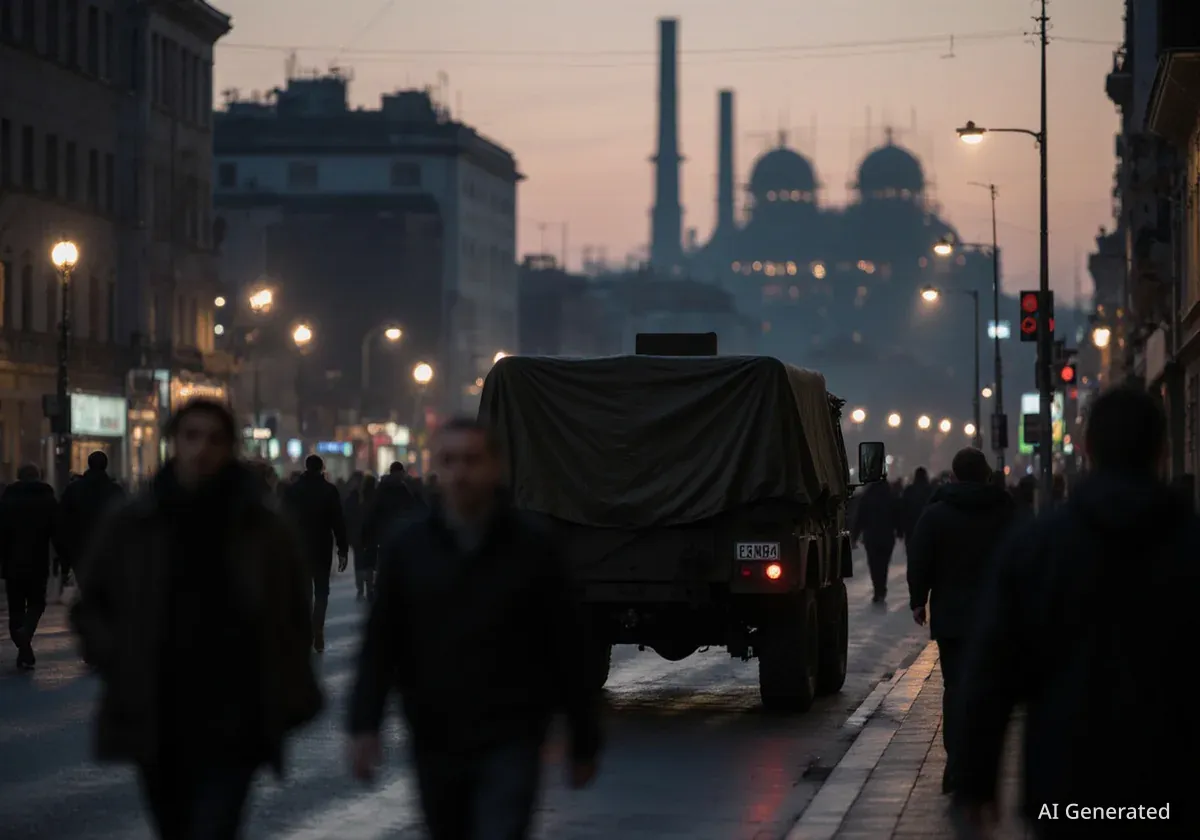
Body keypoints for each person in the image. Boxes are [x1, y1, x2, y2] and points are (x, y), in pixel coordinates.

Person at [953, 388, 1200, 838]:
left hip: (1065, 786)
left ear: (1087, 449)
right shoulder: (1189, 545)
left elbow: (990, 676)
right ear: (1163, 451)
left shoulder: (1038, 547)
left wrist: (975, 784)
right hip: (1173, 786)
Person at [70, 399, 322, 839]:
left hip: (234, 715)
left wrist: (283, 687)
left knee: (215, 827)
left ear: (230, 448)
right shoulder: (135, 521)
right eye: (191, 436)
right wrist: (119, 660)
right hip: (160, 712)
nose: (201, 449)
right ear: (173, 444)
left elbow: (291, 614)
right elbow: (91, 605)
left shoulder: (262, 526)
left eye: (215, 438)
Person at [347, 416, 602, 839]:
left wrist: (584, 738)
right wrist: (363, 724)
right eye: (449, 461)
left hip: (512, 735)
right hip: (436, 735)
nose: (461, 472)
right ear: (435, 468)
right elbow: (381, 642)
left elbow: (567, 647)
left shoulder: (532, 547)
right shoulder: (409, 547)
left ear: (495, 468)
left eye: (472, 460)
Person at [905, 447, 1014, 795]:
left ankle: (956, 762)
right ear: (986, 476)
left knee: (955, 688)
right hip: (996, 618)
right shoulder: (1006, 512)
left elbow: (920, 557)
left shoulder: (936, 515)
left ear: (953, 476)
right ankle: (982, 763)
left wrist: (918, 600)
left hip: (952, 618)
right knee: (990, 689)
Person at [283, 454, 349, 652]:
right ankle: (318, 625)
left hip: (299, 546)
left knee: (303, 590)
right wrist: (342, 549)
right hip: (322, 546)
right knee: (322, 589)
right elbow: (338, 521)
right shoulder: (329, 491)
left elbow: (284, 520)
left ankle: (305, 630)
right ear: (322, 469)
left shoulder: (293, 491)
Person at [0, 464, 59, 670]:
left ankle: (24, 649)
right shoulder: (47, 498)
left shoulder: (7, 499)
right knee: (36, 603)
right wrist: (60, 558)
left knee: (16, 607)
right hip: (38, 559)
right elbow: (56, 530)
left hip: (12, 561)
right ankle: (25, 641)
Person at [57, 450, 125, 588]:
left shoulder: (74, 489)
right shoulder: (115, 491)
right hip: (107, 549)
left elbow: (63, 522)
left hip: (79, 549)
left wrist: (65, 561)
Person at [851, 477, 900, 603]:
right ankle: (882, 588)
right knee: (884, 564)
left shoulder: (867, 497)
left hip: (871, 536)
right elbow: (898, 514)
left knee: (874, 564)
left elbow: (860, 518)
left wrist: (854, 537)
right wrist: (900, 531)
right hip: (887, 536)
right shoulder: (891, 495)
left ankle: (877, 588)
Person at [361, 461, 424, 557]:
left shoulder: (382, 486)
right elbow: (411, 506)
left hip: (384, 528)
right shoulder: (402, 487)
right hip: (397, 529)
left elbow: (374, 508)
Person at [352, 474, 379, 602]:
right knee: (370, 563)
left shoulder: (358, 497)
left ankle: (360, 589)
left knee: (359, 562)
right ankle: (369, 588)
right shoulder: (377, 498)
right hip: (372, 535)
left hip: (359, 534)